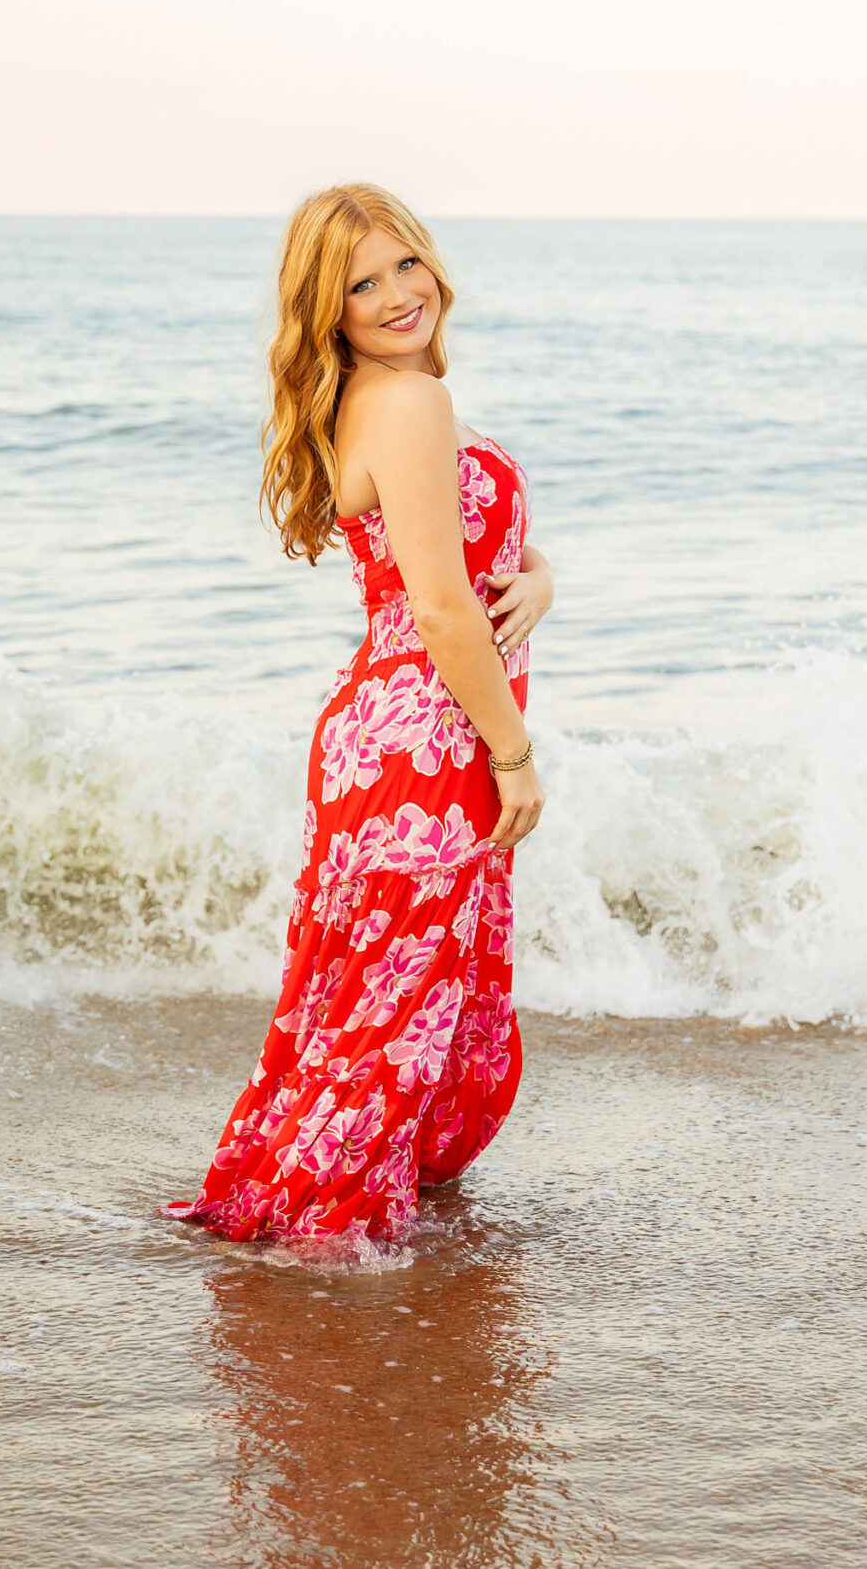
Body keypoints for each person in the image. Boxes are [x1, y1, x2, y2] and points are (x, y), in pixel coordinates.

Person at [164, 184, 553, 1244]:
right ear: (325, 311)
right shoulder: (410, 403)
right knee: (397, 995)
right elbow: (436, 601)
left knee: (373, 988)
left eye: (403, 266)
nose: (392, 296)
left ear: (432, 264)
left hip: (384, 731)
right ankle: (332, 1256)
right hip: (432, 738)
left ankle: (323, 1211)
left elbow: (443, 570)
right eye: (359, 284)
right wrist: (512, 754)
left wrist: (543, 577)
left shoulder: (373, 401)